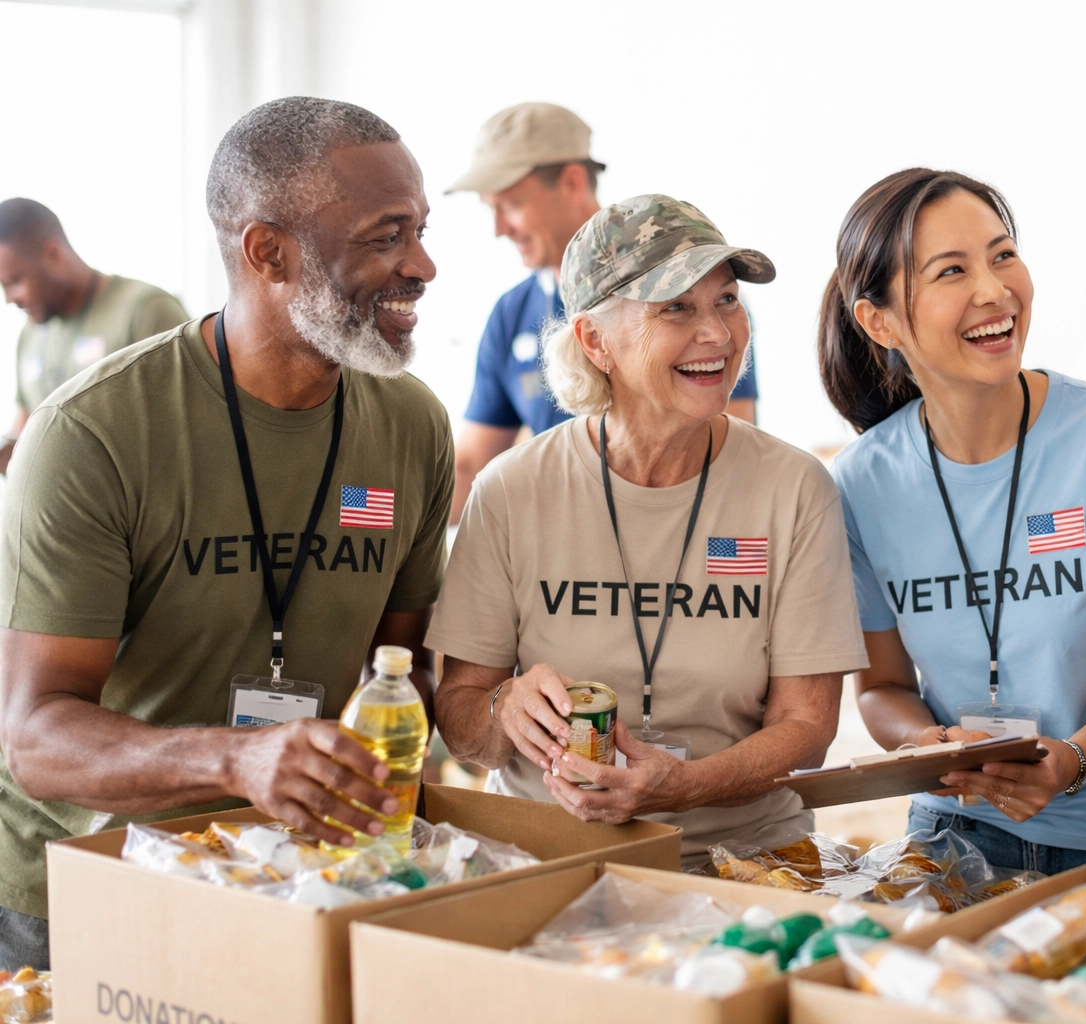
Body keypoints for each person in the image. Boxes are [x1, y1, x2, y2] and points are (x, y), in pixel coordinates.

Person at [0, 97, 454, 971]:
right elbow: (35, 738)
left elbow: (407, 666)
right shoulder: (97, 432)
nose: (423, 265)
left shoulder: (411, 426)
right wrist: (241, 759)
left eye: (422, 230)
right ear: (267, 252)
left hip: (292, 875)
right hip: (89, 881)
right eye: (385, 236)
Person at [429, 194, 866, 862]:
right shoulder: (513, 492)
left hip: (744, 857)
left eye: (725, 301)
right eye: (676, 309)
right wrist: (503, 711)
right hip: (545, 852)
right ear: (594, 341)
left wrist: (684, 786)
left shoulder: (794, 488)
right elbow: (461, 717)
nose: (719, 334)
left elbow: (807, 726)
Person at [821, 168, 1086, 878]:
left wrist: (1074, 760)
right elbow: (880, 690)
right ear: (879, 320)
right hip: (953, 837)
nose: (995, 291)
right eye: (952, 271)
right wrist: (931, 743)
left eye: (1003, 256)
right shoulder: (859, 482)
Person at [445, 103, 758, 524]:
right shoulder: (512, 313)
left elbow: (729, 453)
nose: (499, 228)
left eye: (511, 204)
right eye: (491, 209)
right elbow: (470, 467)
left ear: (572, 181)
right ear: (588, 338)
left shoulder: (701, 311)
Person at [0, 198, 187, 473]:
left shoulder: (146, 310)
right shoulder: (30, 335)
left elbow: (185, 430)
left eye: (15, 281)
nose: (9, 299)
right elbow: (26, 430)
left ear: (52, 254)